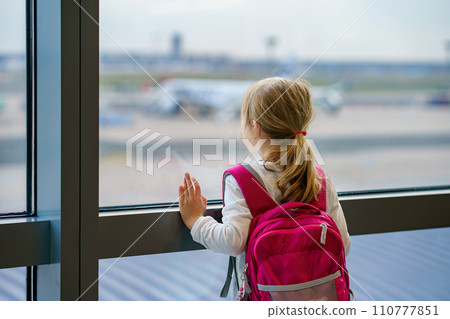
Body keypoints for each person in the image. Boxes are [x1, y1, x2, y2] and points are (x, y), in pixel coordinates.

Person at [178, 77, 351, 299]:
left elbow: (233, 241)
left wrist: (195, 221)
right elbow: (343, 245)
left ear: (255, 127)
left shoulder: (241, 179)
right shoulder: (319, 178)